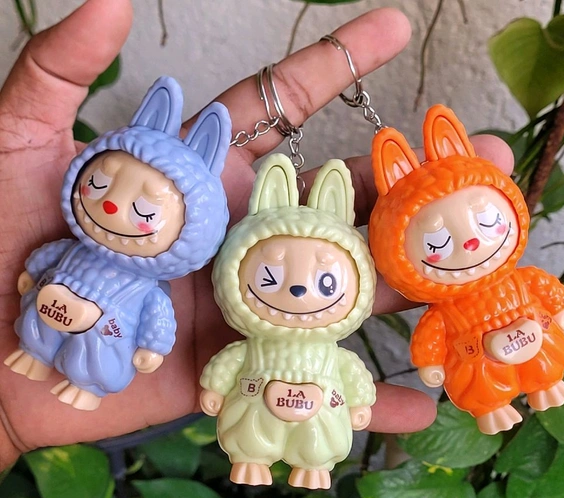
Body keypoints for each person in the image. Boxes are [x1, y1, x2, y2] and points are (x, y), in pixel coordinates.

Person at [0, 0, 514, 470]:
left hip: (298, 403)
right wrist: (39, 276)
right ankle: (36, 353)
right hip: (95, 319)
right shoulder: (125, 266)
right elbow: (134, 297)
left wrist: (357, 400)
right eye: (100, 186)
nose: (112, 207)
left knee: (103, 364)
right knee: (41, 332)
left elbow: (346, 369)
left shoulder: (321, 341)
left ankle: (308, 464)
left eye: (143, 208)